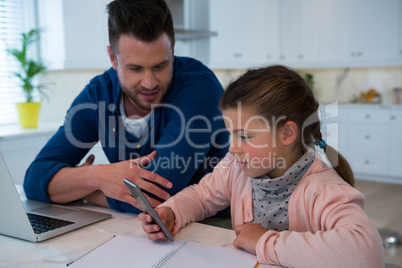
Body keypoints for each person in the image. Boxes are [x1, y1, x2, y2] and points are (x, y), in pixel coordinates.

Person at [138, 65, 385, 267]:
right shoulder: (237, 167)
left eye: (245, 136)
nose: (233, 147)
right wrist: (172, 212)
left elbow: (367, 252)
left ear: (287, 133)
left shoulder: (323, 189)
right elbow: (201, 196)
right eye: (231, 135)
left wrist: (264, 243)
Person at [23, 0, 229, 214]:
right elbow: (35, 180)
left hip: (212, 229)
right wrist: (99, 176)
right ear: (113, 58)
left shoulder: (199, 89)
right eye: (135, 68)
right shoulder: (98, 94)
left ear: (172, 51)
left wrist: (83, 189)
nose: (149, 83)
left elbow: (155, 196)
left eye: (160, 66)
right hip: (133, 229)